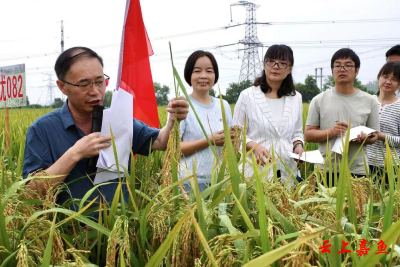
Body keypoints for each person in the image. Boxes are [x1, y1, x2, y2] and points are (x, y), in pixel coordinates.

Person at [23, 47, 189, 205]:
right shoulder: (42, 130)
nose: (95, 91)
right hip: (69, 231)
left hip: (118, 228)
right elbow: (30, 193)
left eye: (99, 81)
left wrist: (172, 120)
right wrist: (75, 153)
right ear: (62, 87)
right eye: (84, 84)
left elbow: (160, 141)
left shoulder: (117, 119)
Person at [305, 48, 380, 187]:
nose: (342, 69)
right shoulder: (319, 100)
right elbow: (308, 135)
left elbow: (375, 135)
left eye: (348, 65)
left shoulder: (370, 101)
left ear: (356, 70)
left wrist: (366, 139)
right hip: (326, 169)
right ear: (332, 70)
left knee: (357, 209)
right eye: (338, 65)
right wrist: (332, 132)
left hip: (358, 169)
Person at [233, 44, 304, 184]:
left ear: (289, 69)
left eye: (283, 63)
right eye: (271, 61)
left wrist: (298, 146)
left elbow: (297, 132)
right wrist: (254, 146)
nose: (276, 66)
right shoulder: (247, 96)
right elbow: (236, 133)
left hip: (287, 171)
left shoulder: (296, 98)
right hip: (255, 170)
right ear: (264, 65)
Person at [180, 50, 233, 192]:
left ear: (215, 75)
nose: (203, 76)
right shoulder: (182, 104)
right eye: (197, 71)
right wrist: (209, 140)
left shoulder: (224, 105)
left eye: (209, 71)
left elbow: (231, 144)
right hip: (190, 183)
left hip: (221, 181)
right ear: (189, 75)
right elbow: (174, 149)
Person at [367, 62, 400, 183]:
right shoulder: (367, 101)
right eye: (385, 77)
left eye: (394, 79)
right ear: (378, 78)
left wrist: (382, 137)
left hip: (391, 167)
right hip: (364, 163)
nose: (388, 81)